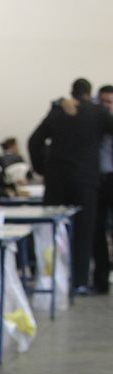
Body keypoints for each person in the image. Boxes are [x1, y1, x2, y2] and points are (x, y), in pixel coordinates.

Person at [28, 78, 113, 295]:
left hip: (56, 181)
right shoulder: (98, 114)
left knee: (52, 230)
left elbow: (34, 141)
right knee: (85, 232)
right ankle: (79, 281)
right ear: (90, 94)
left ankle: (49, 278)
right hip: (86, 181)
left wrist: (42, 168)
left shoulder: (57, 112)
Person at [92, 84, 113, 295]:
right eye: (103, 102)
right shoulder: (92, 124)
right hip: (98, 181)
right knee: (97, 232)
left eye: (110, 102)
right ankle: (101, 280)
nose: (106, 106)